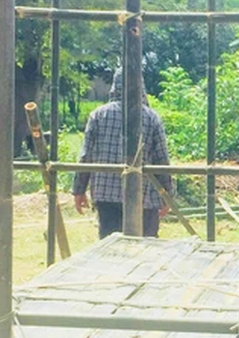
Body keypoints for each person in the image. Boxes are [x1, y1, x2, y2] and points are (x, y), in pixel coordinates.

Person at [72, 68, 171, 238]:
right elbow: (162, 160)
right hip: (144, 197)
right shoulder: (152, 117)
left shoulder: (98, 115)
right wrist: (167, 195)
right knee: (147, 248)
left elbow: (86, 156)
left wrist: (79, 190)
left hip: (106, 196)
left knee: (111, 249)